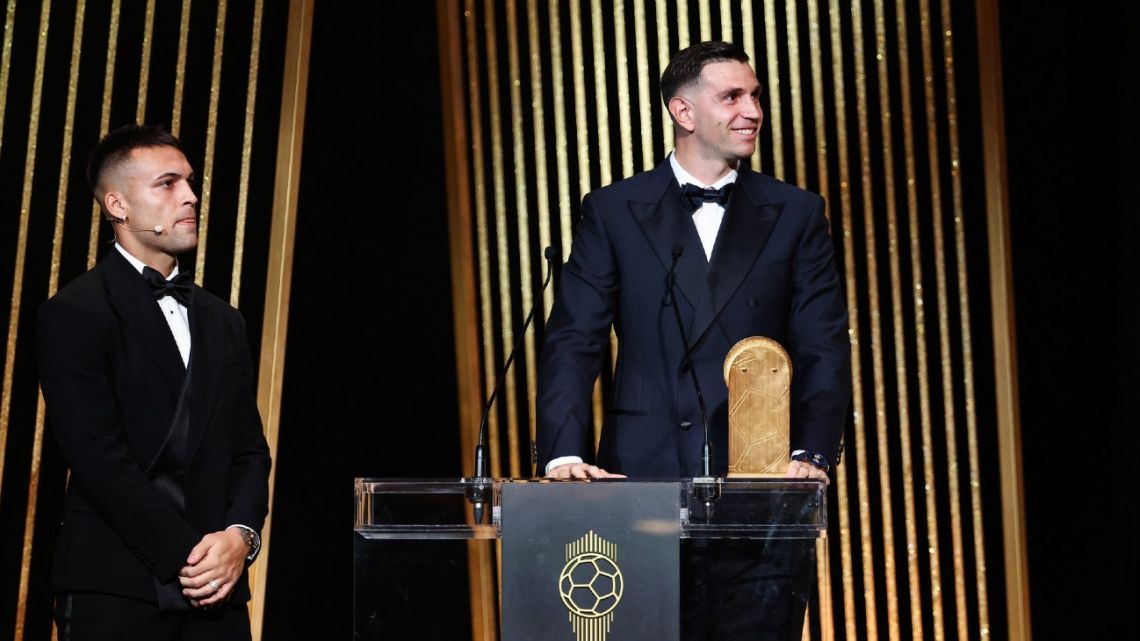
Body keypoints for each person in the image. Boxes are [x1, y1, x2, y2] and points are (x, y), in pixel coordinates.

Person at [535, 42, 851, 639]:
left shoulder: (796, 212)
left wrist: (811, 453)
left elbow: (823, 344)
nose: (752, 110)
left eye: (755, 96)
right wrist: (564, 454)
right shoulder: (613, 210)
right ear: (683, 112)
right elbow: (574, 339)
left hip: (762, 490)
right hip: (637, 486)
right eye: (732, 96)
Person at [37, 124, 271, 640]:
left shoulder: (223, 320)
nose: (190, 196)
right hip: (117, 585)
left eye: (190, 182)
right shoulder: (74, 312)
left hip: (220, 590)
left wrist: (240, 538)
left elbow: (249, 450)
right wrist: (190, 555)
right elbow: (94, 453)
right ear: (117, 205)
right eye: (167, 184)